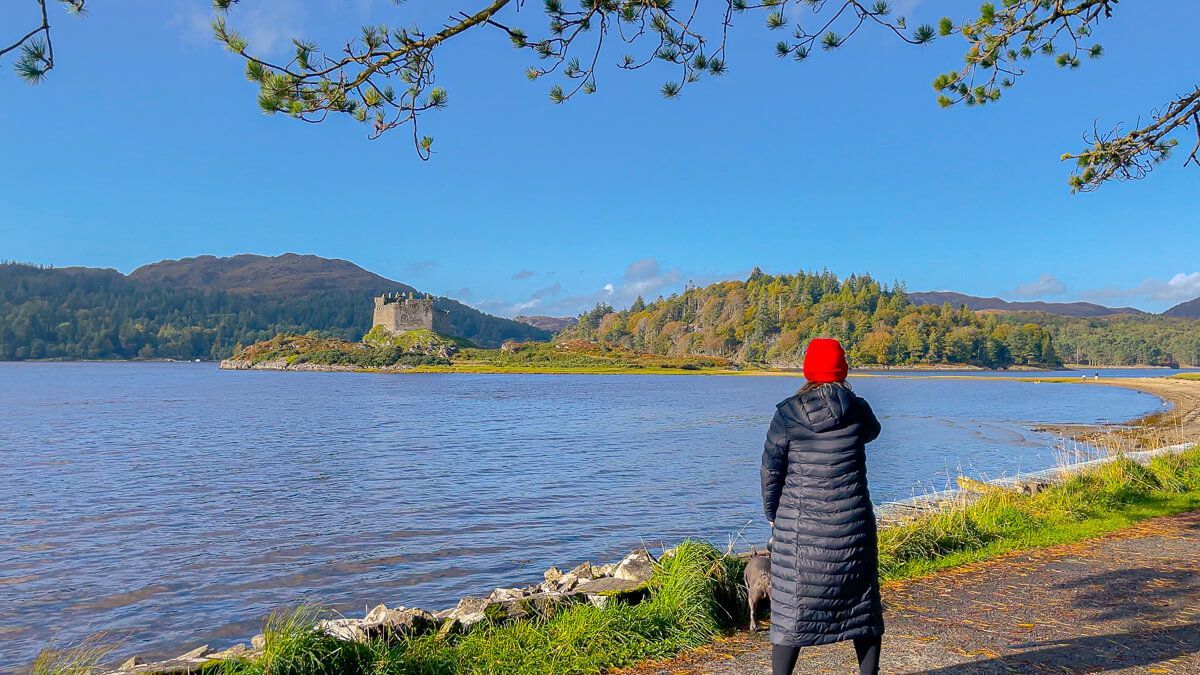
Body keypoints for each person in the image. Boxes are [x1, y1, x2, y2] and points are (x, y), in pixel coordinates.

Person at [760, 338, 884, 675]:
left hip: (801, 530)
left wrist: (772, 514)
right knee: (864, 611)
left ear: (808, 369)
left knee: (790, 614)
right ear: (842, 369)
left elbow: (771, 469)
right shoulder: (858, 409)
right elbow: (873, 432)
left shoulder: (787, 413)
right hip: (852, 527)